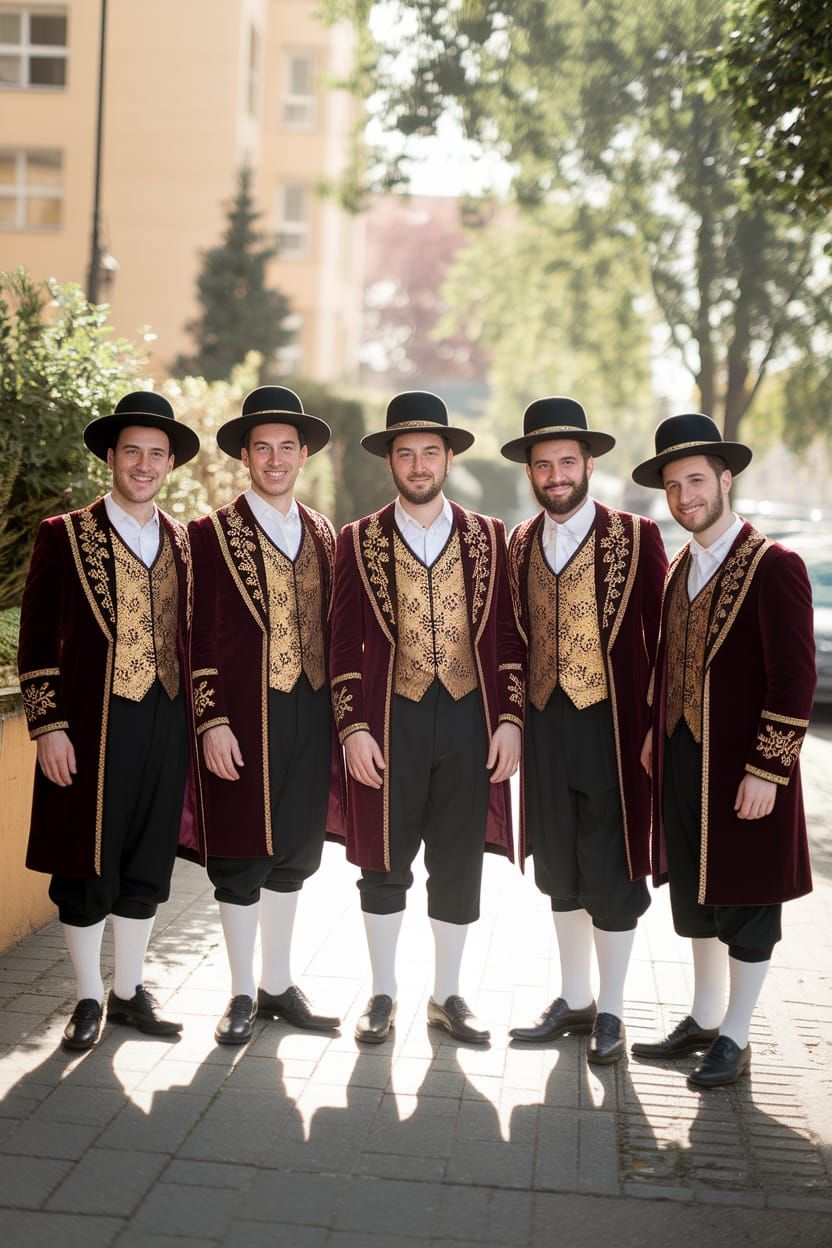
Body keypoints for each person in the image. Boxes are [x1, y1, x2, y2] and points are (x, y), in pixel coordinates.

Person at [328, 391, 524, 1045]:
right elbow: (341, 642)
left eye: (429, 452)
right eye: (406, 453)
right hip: (390, 722)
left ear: (447, 459)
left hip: (470, 723)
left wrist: (510, 719)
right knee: (383, 863)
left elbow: (507, 637)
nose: (418, 464)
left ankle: (448, 995)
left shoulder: (489, 537)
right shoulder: (359, 540)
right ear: (390, 462)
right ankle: (382, 994)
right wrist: (353, 727)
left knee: (459, 860)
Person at [631, 412, 815, 1087]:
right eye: (674, 486)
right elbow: (668, 657)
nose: (686, 497)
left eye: (697, 481)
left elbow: (795, 677)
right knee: (698, 892)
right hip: (683, 755)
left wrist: (769, 768)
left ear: (725, 479)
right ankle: (706, 1018)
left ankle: (736, 1036)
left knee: (747, 898)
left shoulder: (776, 565)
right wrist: (654, 728)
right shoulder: (680, 565)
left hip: (744, 766)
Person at [18, 391, 204, 1051]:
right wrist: (49, 726)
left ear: (170, 464)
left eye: (156, 454)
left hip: (166, 720)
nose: (144, 465)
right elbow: (37, 639)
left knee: (146, 859)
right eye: (133, 452)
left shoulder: (184, 542)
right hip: (93, 724)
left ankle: (129, 990)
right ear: (111, 457)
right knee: (86, 862)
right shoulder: (65, 535)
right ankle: (88, 997)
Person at [501, 397, 667, 1063]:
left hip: (614, 729)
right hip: (546, 726)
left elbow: (663, 638)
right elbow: (509, 641)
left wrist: (654, 726)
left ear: (589, 464)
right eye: (544, 465)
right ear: (530, 473)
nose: (556, 475)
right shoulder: (518, 543)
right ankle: (575, 1000)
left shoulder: (637, 536)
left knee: (613, 867)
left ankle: (614, 1010)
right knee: (559, 863)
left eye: (567, 462)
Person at [188, 386, 342, 1045]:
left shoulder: (325, 532)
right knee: (241, 851)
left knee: (295, 852)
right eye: (262, 448)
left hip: (311, 711)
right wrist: (211, 720)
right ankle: (241, 992)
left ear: (303, 454)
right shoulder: (210, 534)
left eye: (286, 447)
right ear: (245, 457)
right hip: (245, 715)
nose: (275, 459)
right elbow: (195, 633)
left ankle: (278, 984)